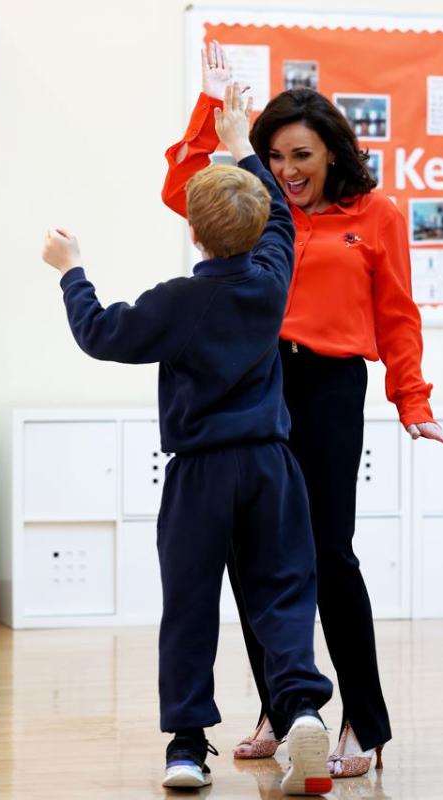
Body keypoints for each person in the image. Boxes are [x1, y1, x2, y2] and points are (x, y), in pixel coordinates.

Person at [162, 41, 443, 779]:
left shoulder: (376, 215)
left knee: (328, 553)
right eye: (274, 155)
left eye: (300, 155)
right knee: (253, 554)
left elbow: (397, 316)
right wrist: (213, 112)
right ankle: (283, 704)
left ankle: (364, 717)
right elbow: (180, 188)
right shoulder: (257, 202)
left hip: (329, 390)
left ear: (332, 152)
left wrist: (412, 398)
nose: (288, 170)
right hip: (256, 384)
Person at [42, 83, 334, 796]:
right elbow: (280, 227)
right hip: (271, 465)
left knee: (191, 603)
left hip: (199, 473)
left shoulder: (174, 302)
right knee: (283, 593)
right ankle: (299, 709)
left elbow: (100, 333)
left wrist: (71, 269)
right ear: (259, 221)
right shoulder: (269, 281)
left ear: (194, 235)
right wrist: (241, 145)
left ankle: (185, 745)